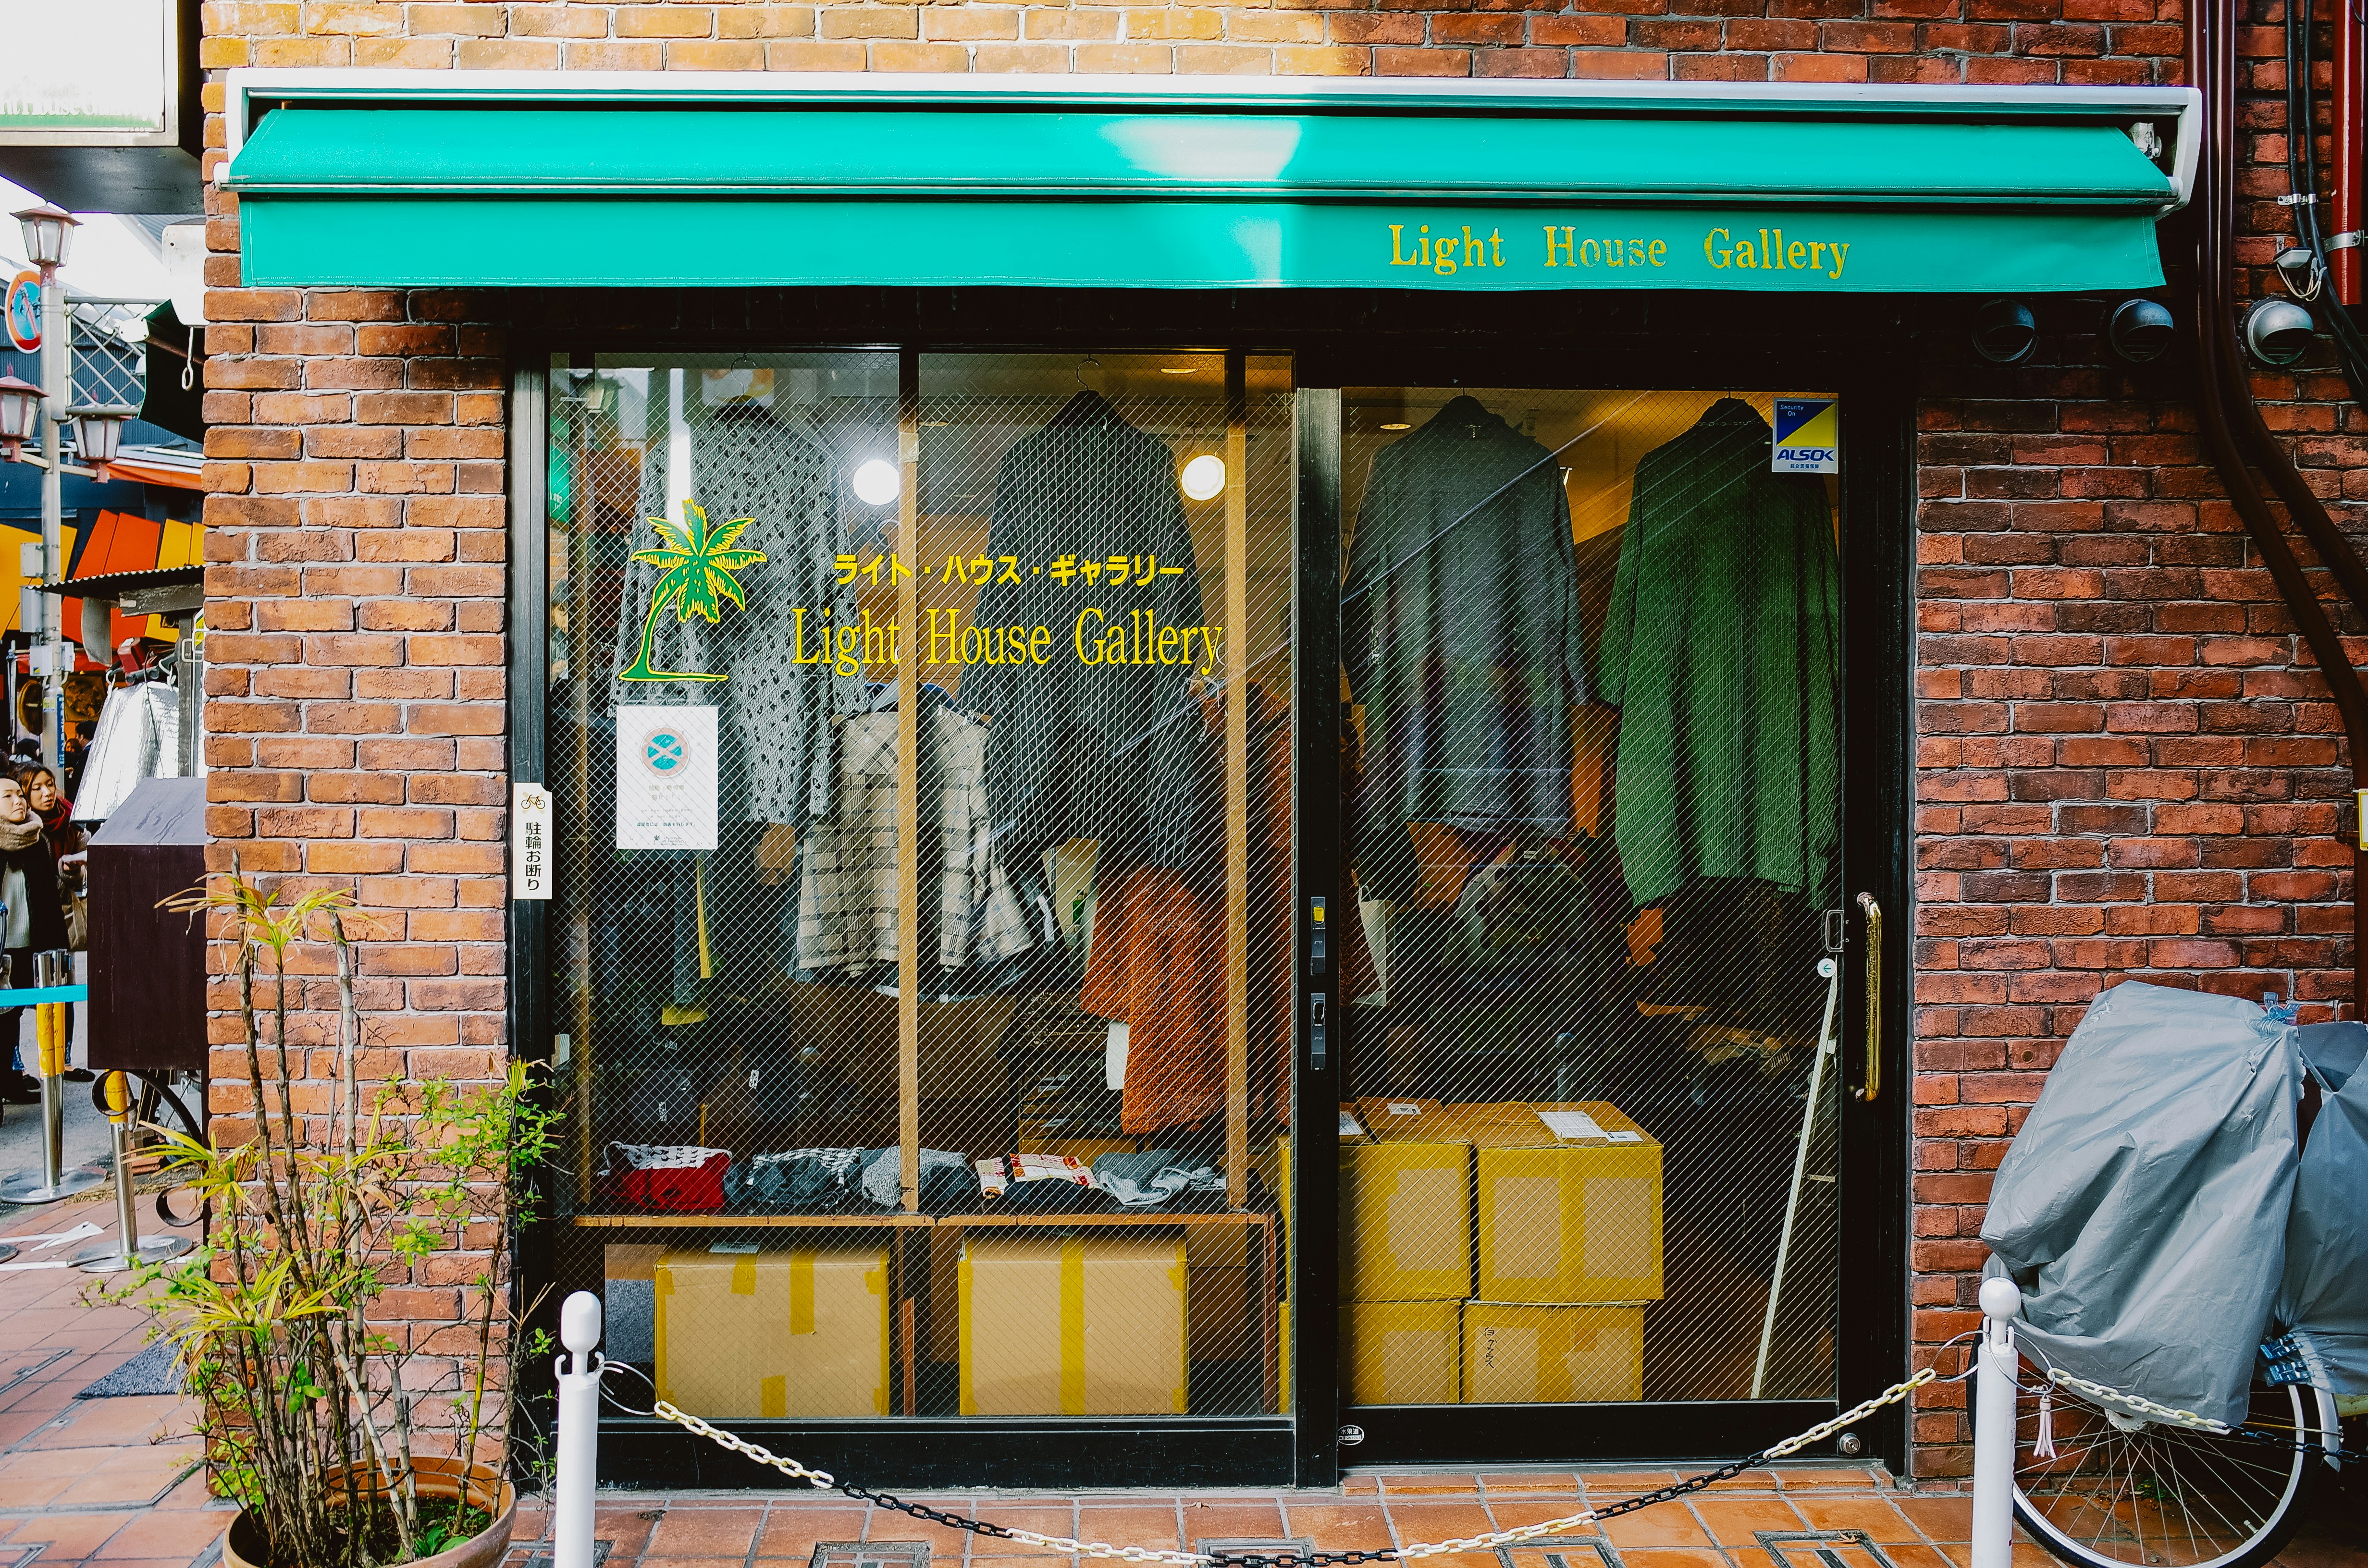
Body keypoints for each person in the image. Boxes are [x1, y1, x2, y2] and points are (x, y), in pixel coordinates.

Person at [0, 772, 73, 1103]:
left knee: (17, 1013)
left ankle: (15, 1078)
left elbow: (47, 900)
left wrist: (59, 947)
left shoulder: (36, 840)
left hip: (31, 943)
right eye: (8, 796)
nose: (19, 801)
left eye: (19, 794)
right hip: (2, 946)